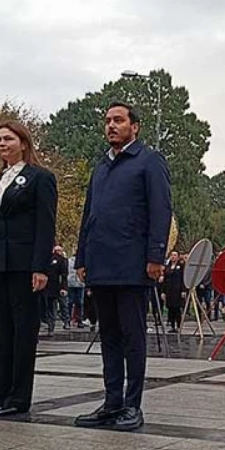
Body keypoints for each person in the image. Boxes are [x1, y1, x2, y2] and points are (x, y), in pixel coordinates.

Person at [74, 102, 172, 431]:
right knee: (109, 337)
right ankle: (112, 402)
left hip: (132, 265)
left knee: (133, 337)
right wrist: (82, 256)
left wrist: (156, 256)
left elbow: (161, 210)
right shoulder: (101, 166)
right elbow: (89, 215)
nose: (111, 126)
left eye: (119, 120)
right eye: (108, 121)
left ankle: (133, 406)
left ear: (135, 127)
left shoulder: (148, 160)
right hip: (101, 264)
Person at [0, 121, 57, 417]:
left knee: (23, 331)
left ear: (23, 143)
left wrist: (40, 267)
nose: (2, 144)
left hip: (24, 264)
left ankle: (18, 397)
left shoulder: (40, 178)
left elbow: (45, 225)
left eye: (8, 139)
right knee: (1, 330)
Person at [46, 245, 68, 332]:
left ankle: (66, 321)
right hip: (50, 287)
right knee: (51, 306)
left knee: (63, 304)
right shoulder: (48, 259)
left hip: (58, 287)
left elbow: (64, 275)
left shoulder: (62, 260)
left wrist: (64, 287)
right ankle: (51, 325)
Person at [163, 251, 185, 333]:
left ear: (178, 257)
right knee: (170, 308)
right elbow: (165, 280)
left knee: (177, 308)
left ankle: (179, 325)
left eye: (175, 255)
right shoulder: (167, 267)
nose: (173, 257)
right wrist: (163, 292)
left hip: (178, 290)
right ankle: (172, 326)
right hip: (169, 290)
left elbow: (183, 278)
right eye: (172, 255)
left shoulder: (181, 266)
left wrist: (183, 290)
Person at [67, 250, 85, 329]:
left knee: (79, 303)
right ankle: (69, 320)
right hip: (71, 284)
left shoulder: (83, 261)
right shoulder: (69, 261)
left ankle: (79, 320)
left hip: (79, 284)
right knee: (71, 302)